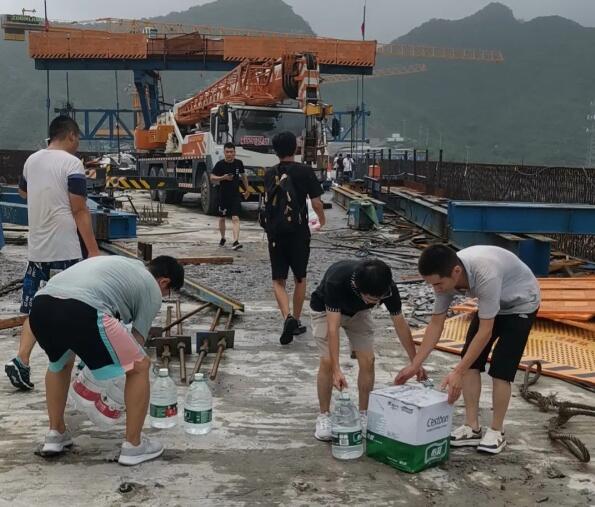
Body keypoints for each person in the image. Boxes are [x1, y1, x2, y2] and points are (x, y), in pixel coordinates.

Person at [27, 255, 184, 465]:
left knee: (60, 364)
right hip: (83, 308)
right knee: (139, 366)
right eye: (167, 292)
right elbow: (136, 341)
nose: (163, 296)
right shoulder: (152, 288)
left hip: (41, 306)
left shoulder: (125, 265)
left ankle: (55, 434)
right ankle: (134, 446)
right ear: (164, 282)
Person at [395, 244, 540, 455]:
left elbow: (485, 331)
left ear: (456, 272)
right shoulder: (445, 278)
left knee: (501, 369)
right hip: (493, 303)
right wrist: (415, 365)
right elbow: (436, 325)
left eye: (438, 284)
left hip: (520, 304)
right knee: (470, 361)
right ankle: (472, 427)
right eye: (431, 285)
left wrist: (457, 371)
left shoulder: (485, 274)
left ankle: (496, 431)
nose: (436, 289)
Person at [5, 116, 100, 391]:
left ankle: (21, 360)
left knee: (35, 308)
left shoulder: (31, 161)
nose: (77, 144)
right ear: (70, 136)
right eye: (78, 139)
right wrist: (93, 252)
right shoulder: (72, 163)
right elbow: (80, 210)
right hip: (66, 248)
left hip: (37, 248)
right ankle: (83, 365)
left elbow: (23, 194)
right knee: (77, 306)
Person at [309, 259, 426, 441]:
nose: (377, 302)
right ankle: (324, 415)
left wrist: (415, 362)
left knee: (368, 360)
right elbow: (333, 328)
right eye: (372, 299)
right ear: (357, 286)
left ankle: (364, 414)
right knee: (327, 362)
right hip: (325, 310)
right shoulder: (337, 281)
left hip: (358, 314)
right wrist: (337, 369)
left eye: (380, 298)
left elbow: (400, 324)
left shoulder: (386, 287)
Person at [264, 131, 326, 345]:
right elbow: (317, 203)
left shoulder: (269, 173)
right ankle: (296, 320)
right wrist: (322, 220)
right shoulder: (305, 171)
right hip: (299, 233)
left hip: (275, 233)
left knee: (278, 279)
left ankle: (286, 317)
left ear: (275, 150)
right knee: (300, 277)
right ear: (295, 148)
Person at [210, 142, 250, 250]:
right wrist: (223, 178)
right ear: (224, 152)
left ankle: (236, 241)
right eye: (227, 152)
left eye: (231, 152)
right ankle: (223, 238)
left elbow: (243, 176)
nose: (229, 154)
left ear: (235, 153)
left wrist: (247, 189)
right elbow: (212, 177)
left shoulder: (239, 163)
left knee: (236, 218)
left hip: (235, 195)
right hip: (223, 195)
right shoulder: (220, 164)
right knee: (222, 218)